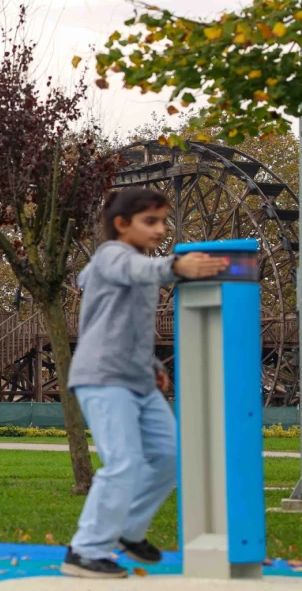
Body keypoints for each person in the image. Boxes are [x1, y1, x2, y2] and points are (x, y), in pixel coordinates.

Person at [62, 187, 228, 579]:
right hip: (103, 377)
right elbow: (136, 269)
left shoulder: (141, 267)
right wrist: (177, 266)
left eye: (164, 221)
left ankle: (127, 531)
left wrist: (153, 363)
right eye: (150, 221)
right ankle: (84, 551)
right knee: (124, 464)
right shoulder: (112, 256)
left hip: (137, 379)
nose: (160, 229)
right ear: (122, 225)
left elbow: (129, 327)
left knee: (172, 456)